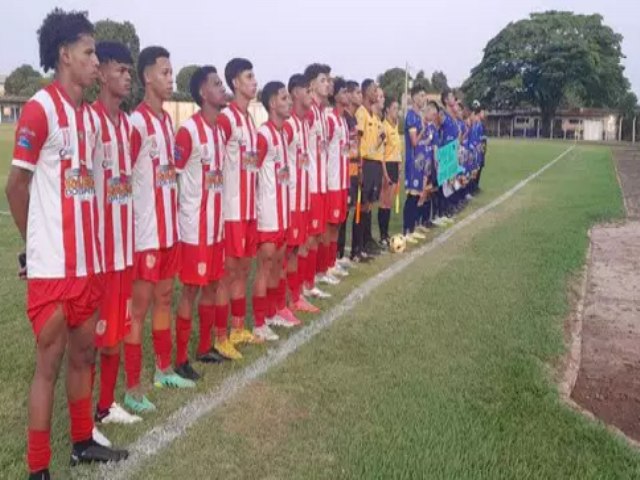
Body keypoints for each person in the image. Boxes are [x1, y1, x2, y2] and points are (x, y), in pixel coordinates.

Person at [5, 9, 129, 478]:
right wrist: (32, 249)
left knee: (84, 355)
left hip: (89, 267)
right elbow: (16, 187)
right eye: (89, 52)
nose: (96, 61)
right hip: (54, 269)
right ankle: (39, 469)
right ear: (65, 55)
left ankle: (81, 442)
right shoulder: (40, 109)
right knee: (48, 366)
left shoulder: (90, 121)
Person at [129, 45, 196, 403]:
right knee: (137, 308)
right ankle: (132, 388)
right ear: (147, 77)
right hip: (146, 234)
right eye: (165, 73)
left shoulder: (167, 122)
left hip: (169, 231)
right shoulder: (136, 123)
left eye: (172, 73)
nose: (171, 79)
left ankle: (163, 370)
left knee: (164, 300)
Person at [92, 41, 142, 426]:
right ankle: (84, 419)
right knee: (88, 343)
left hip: (125, 251)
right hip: (96, 255)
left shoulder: (126, 126)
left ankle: (105, 406)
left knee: (116, 336)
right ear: (102, 71)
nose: (127, 77)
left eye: (129, 71)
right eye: (120, 70)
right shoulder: (88, 123)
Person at [173, 66, 237, 367]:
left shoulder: (219, 131)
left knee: (212, 285)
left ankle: (204, 347)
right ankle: (181, 358)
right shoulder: (188, 131)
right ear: (202, 92)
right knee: (190, 290)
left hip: (216, 228)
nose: (222, 88)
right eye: (216, 84)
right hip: (194, 228)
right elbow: (171, 176)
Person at [216, 58, 261, 344]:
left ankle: (237, 327)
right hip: (231, 210)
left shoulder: (250, 120)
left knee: (244, 269)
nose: (254, 81)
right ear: (235, 82)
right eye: (248, 76)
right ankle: (220, 336)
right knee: (227, 273)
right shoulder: (227, 118)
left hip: (248, 210)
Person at [252, 81, 294, 341]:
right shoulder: (264, 135)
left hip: (283, 212)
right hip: (268, 214)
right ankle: (258, 322)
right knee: (265, 266)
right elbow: (252, 173)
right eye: (283, 98)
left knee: (279, 263)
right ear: (271, 103)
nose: (288, 102)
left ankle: (272, 312)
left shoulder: (283, 133)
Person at [283, 74, 319, 314]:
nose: (311, 95)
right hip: (291, 202)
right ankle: (281, 303)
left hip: (304, 199)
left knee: (298, 249)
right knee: (286, 253)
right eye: (307, 90)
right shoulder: (288, 126)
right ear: (295, 93)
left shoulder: (305, 124)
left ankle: (296, 296)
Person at [302, 64, 333, 299]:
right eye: (323, 80)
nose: (328, 83)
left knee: (317, 236)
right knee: (308, 238)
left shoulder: (322, 113)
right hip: (310, 185)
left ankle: (311, 280)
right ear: (311, 84)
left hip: (322, 185)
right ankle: (302, 285)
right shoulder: (309, 112)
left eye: (328, 80)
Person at [355, 79, 385, 257]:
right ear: (366, 92)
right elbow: (358, 141)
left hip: (374, 163)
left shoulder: (374, 116)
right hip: (365, 162)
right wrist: (359, 166)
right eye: (374, 91)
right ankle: (358, 247)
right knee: (362, 203)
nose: (377, 94)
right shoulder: (361, 113)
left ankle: (367, 241)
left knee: (369, 205)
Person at [324, 78, 351, 278]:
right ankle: (323, 267)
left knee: (338, 224)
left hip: (343, 181)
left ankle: (331, 262)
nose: (347, 95)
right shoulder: (330, 120)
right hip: (332, 182)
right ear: (336, 96)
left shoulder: (343, 120)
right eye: (344, 91)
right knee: (329, 226)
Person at [342, 81, 368, 264]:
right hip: (344, 172)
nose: (360, 96)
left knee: (352, 209)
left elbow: (355, 147)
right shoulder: (343, 118)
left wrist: (359, 168)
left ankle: (353, 251)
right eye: (357, 92)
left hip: (353, 170)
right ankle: (338, 255)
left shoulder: (353, 120)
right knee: (342, 214)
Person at [402, 85, 427, 240]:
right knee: (411, 197)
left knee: (418, 195)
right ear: (414, 98)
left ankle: (412, 228)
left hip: (420, 162)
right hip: (412, 162)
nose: (424, 98)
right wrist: (423, 131)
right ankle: (406, 230)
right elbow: (414, 142)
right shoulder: (411, 116)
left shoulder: (419, 116)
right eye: (422, 95)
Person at [379, 97, 401, 247]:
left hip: (394, 166)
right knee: (384, 202)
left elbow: (397, 149)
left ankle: (386, 234)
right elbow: (382, 153)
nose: (396, 111)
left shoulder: (395, 126)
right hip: (386, 166)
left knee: (389, 203)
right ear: (387, 110)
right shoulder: (384, 127)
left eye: (397, 108)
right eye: (394, 108)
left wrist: (399, 167)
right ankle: (382, 235)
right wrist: (385, 174)